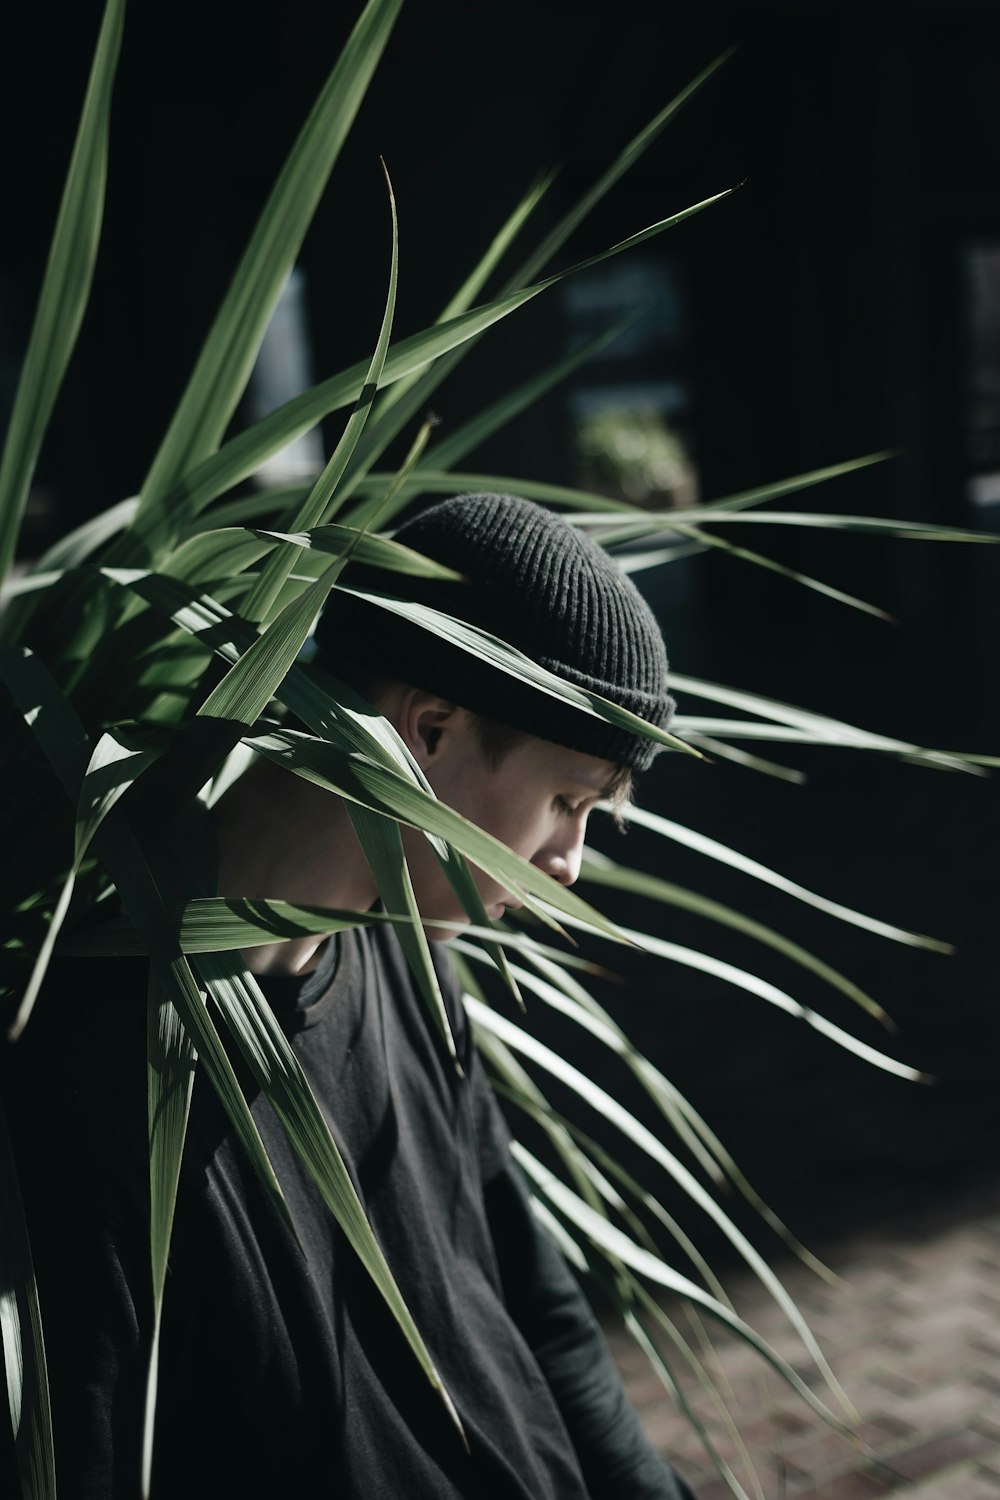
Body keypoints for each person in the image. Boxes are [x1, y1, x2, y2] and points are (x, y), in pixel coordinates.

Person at [4, 493, 696, 1498]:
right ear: (432, 728)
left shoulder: (411, 968)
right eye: (567, 803)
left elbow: (538, 1311)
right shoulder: (97, 1074)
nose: (570, 862)